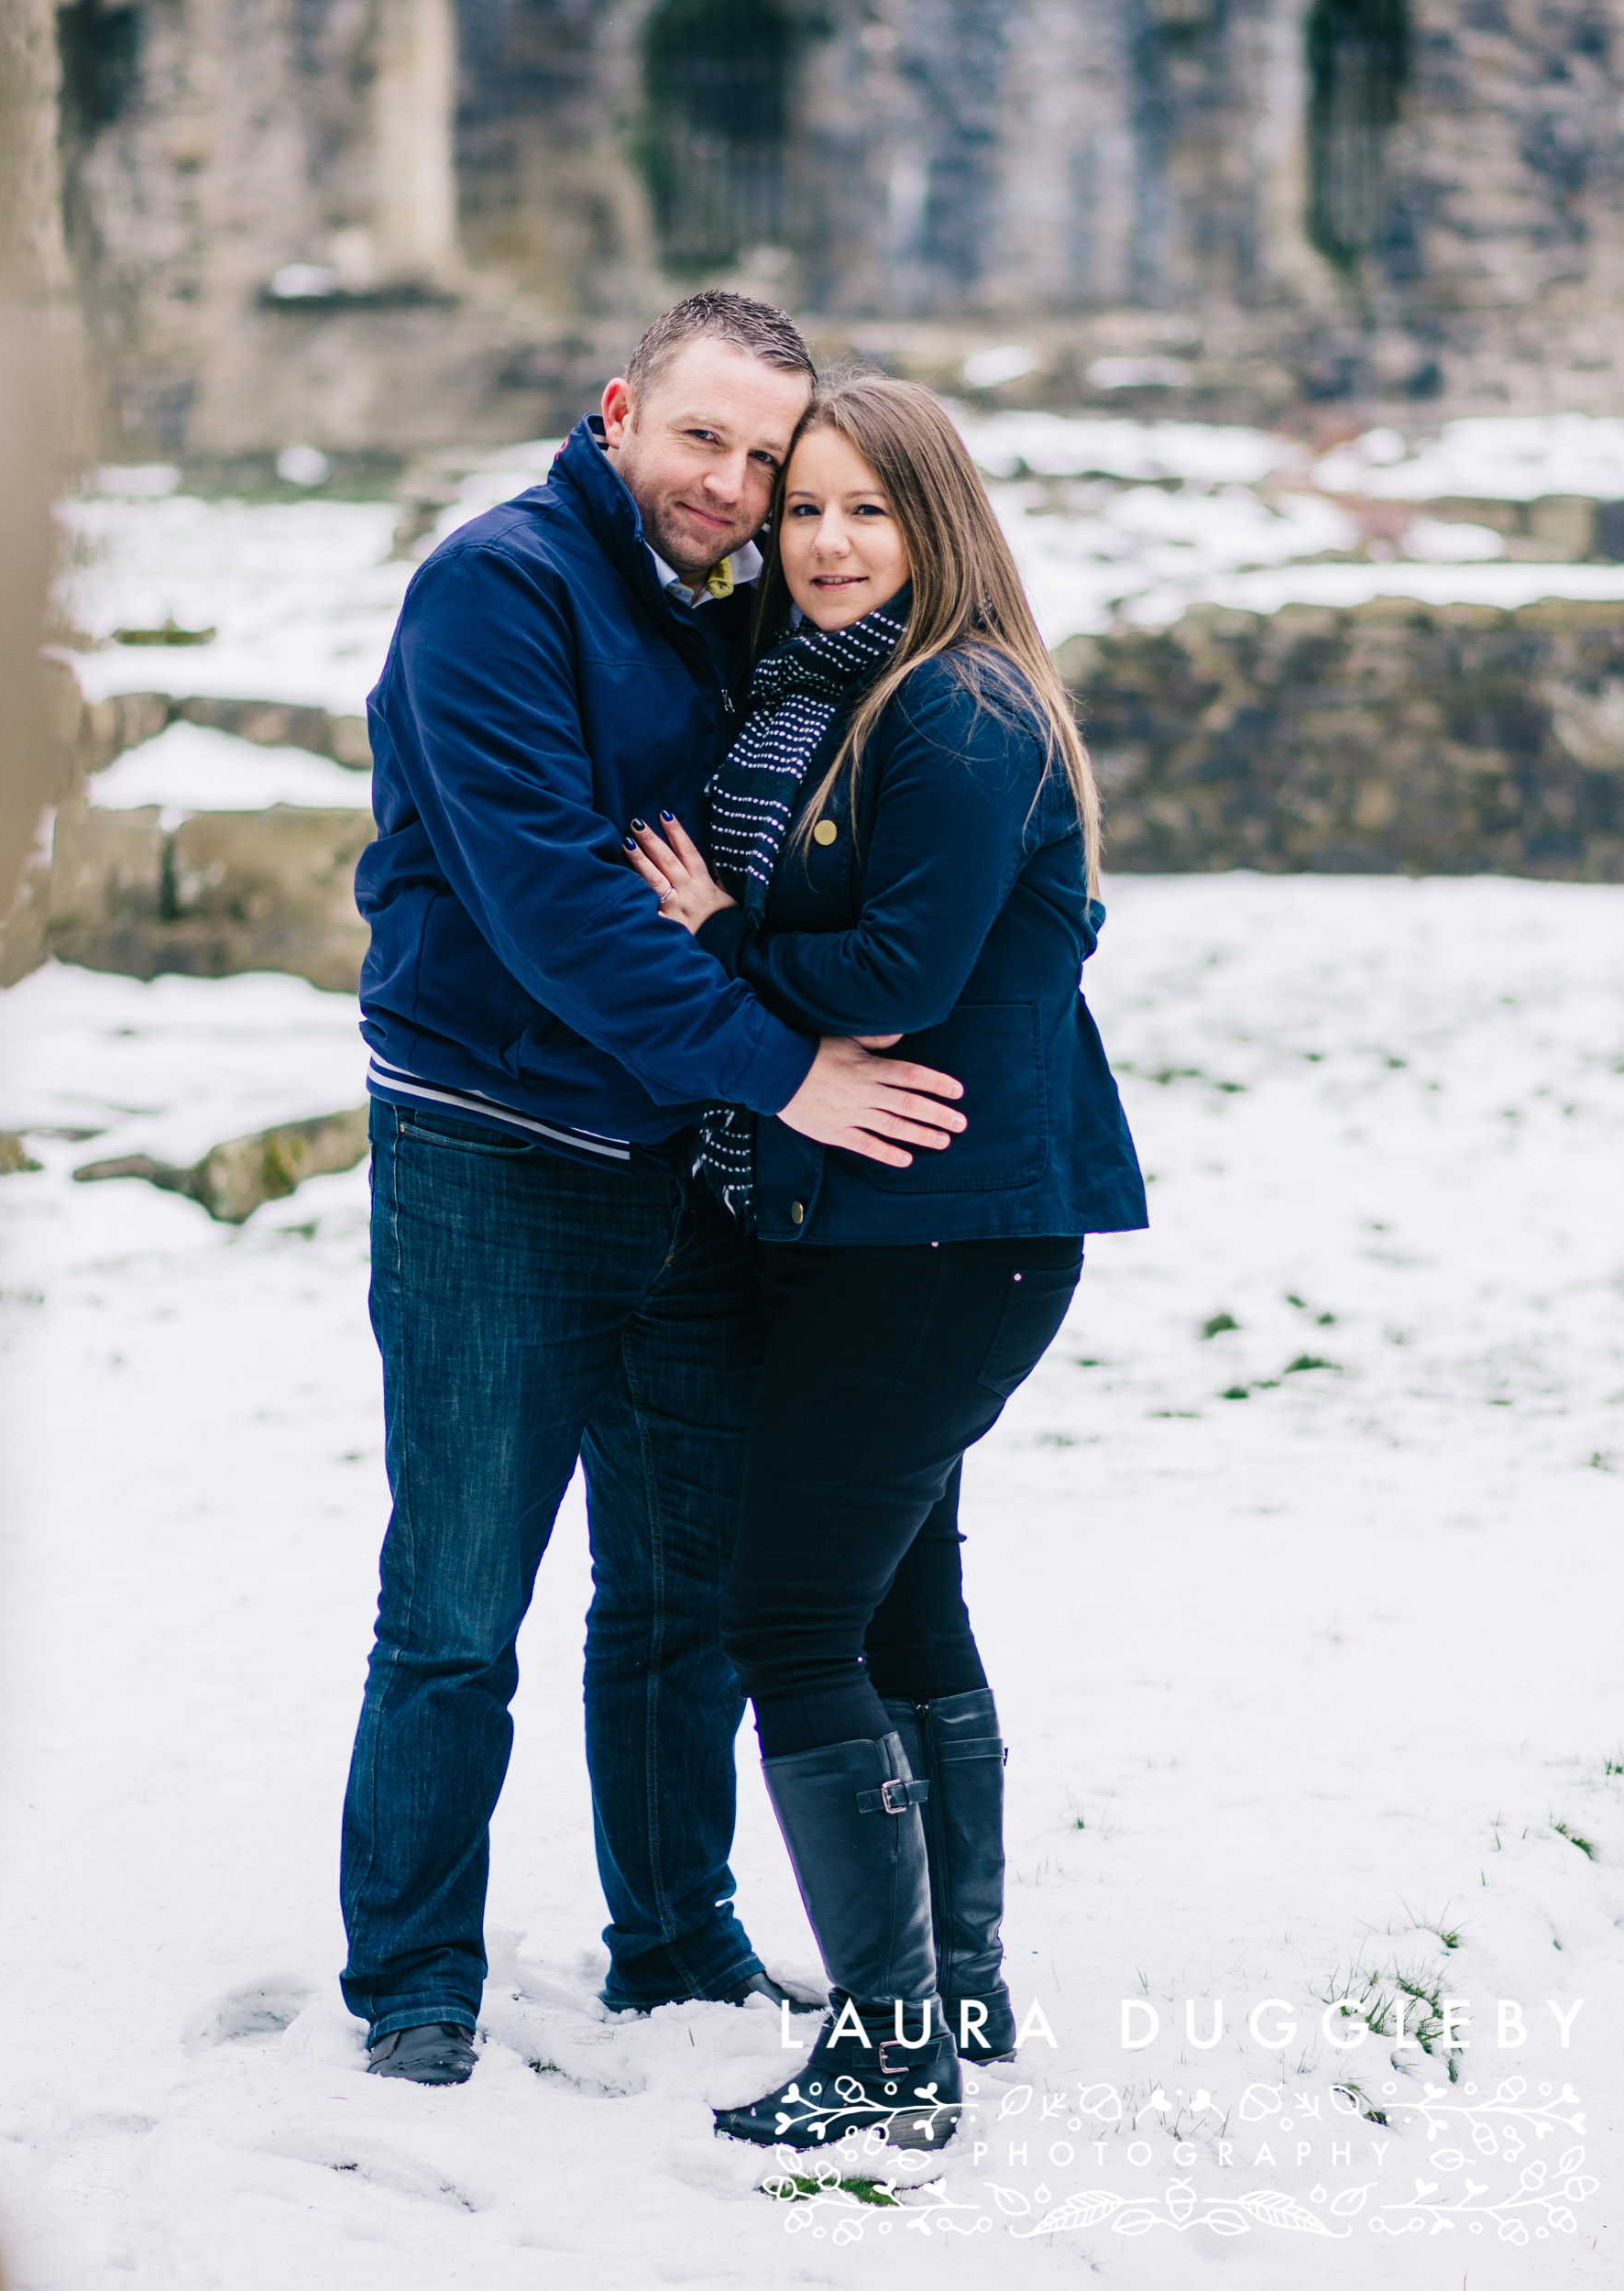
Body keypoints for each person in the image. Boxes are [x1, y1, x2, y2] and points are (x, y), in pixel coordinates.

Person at [341, 298, 969, 2086]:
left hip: (674, 1161)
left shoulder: (726, 618)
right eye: (702, 437)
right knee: (457, 1600)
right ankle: (413, 1977)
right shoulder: (500, 587)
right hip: (491, 1149)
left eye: (767, 458)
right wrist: (788, 1070)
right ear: (618, 410)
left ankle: (672, 1927)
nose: (734, 483)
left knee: (680, 1579)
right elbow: (553, 906)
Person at [624, 372, 1147, 2150]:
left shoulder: (953, 709)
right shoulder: (811, 702)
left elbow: (897, 980)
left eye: (868, 510)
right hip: (872, 1221)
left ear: (937, 525)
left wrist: (719, 925)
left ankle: (889, 2042)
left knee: (789, 1616)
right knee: (902, 1597)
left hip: (945, 1227)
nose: (828, 545)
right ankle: (957, 1983)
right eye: (802, 512)